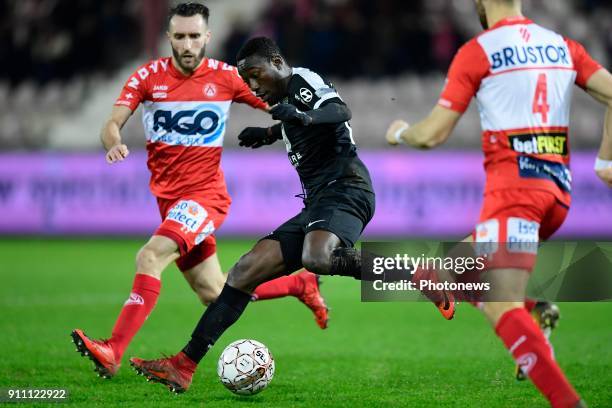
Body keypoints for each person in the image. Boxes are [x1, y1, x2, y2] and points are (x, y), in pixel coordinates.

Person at [70, 3, 328, 380]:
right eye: (180, 36)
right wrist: (113, 140)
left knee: (149, 257)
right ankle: (298, 283)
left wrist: (308, 118)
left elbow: (275, 99)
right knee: (214, 291)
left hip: (205, 198)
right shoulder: (147, 77)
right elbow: (113, 122)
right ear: (169, 37)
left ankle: (113, 350)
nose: (187, 44)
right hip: (170, 202)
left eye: (194, 36)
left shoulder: (225, 77)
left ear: (207, 37)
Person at [385, 0, 612, 406]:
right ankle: (535, 313)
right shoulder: (562, 45)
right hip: (557, 194)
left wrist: (401, 133)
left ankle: (568, 400)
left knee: (497, 303)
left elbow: (432, 135)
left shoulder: (480, 50)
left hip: (515, 194)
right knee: (444, 276)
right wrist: (605, 161)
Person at [127, 36, 378, 394]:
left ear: (276, 61)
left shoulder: (302, 82)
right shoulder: (288, 99)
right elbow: (300, 123)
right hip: (318, 201)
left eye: (257, 75)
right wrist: (270, 132)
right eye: (248, 82)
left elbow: (340, 111)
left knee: (317, 257)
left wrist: (302, 115)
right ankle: (182, 367)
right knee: (245, 271)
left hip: (347, 188)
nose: (254, 87)